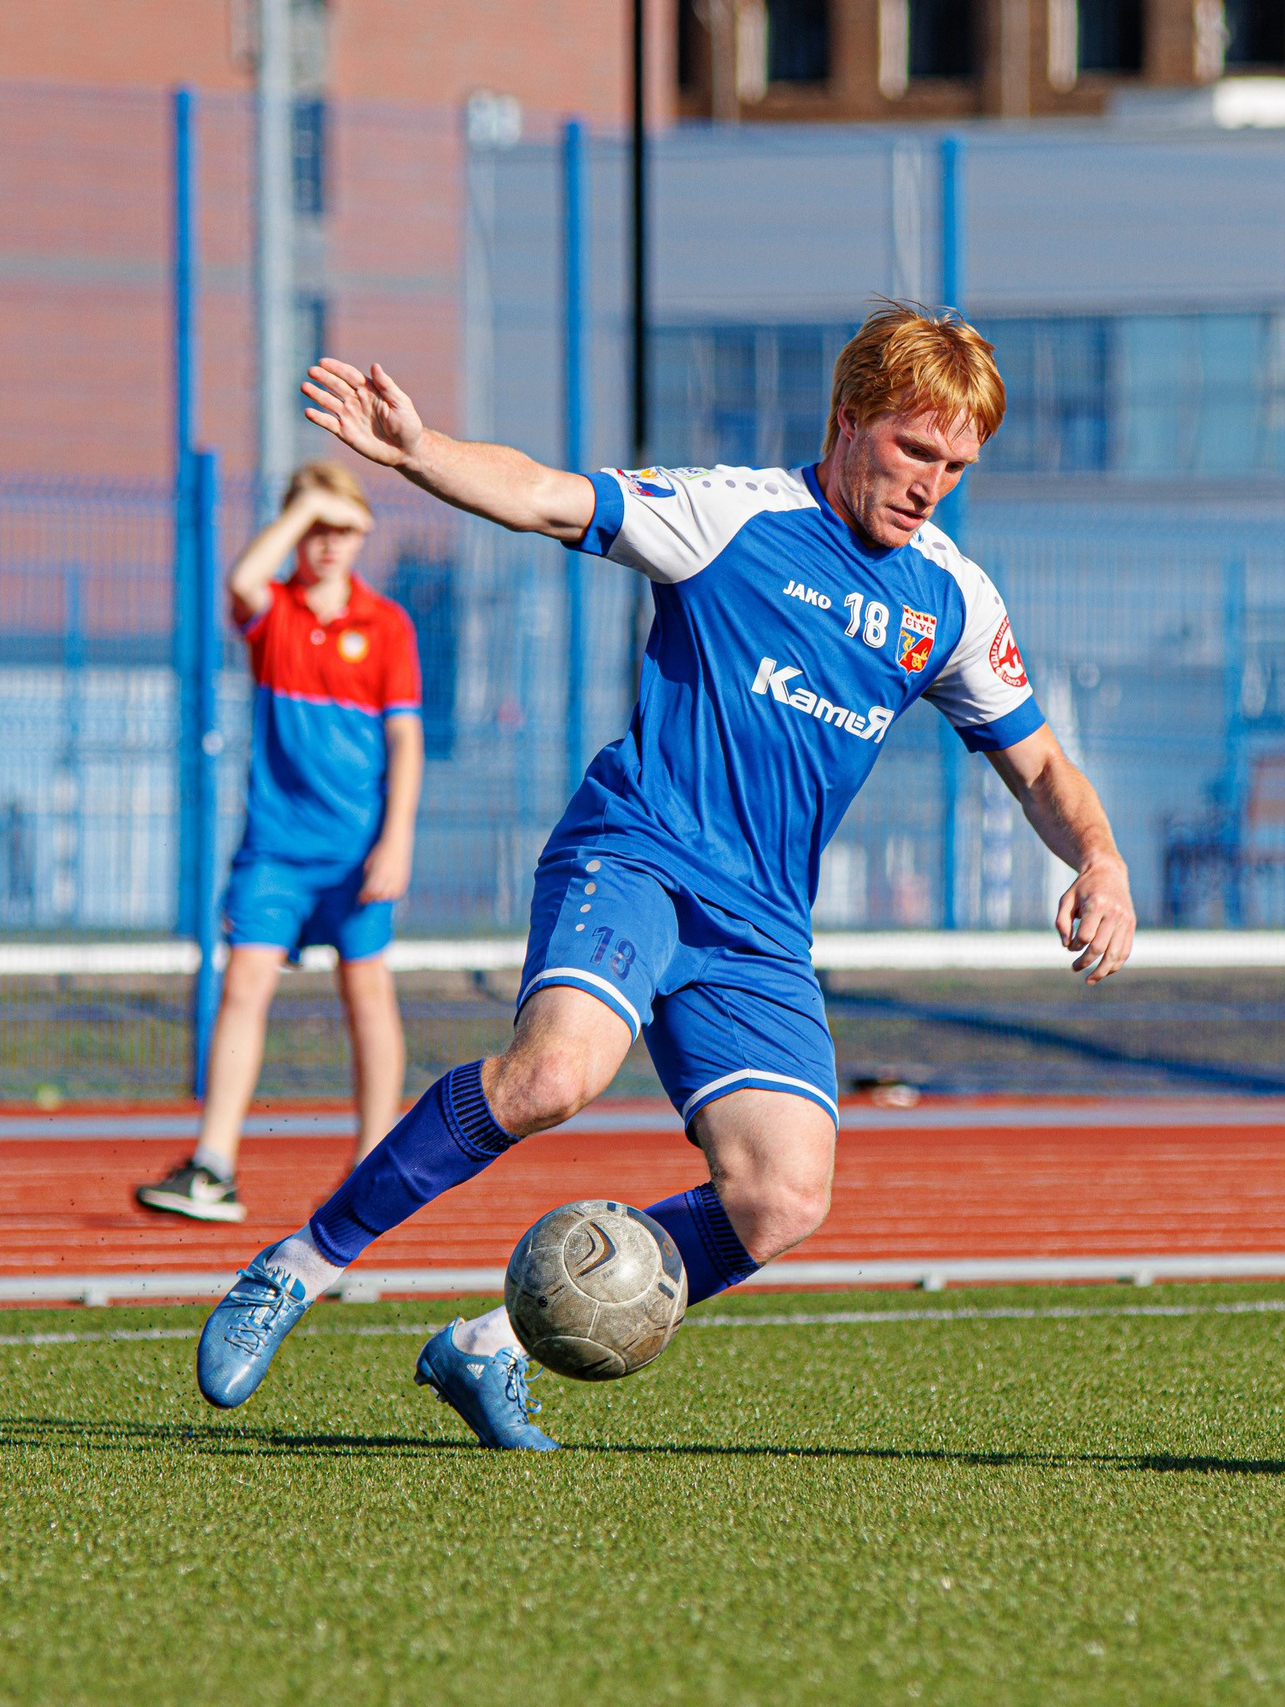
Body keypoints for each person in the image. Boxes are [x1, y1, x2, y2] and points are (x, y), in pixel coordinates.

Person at [189, 302, 1139, 1449]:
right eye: (913, 449)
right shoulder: (730, 515)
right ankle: (296, 1266)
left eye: (956, 464)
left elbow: (1038, 765)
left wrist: (1100, 856)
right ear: (846, 420)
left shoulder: (952, 597)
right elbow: (545, 494)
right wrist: (422, 454)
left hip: (759, 929)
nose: (932, 481)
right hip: (635, 851)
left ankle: (488, 1344)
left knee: (784, 1197)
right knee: (551, 1077)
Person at [134, 462, 425, 1224]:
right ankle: (214, 1165)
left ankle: (373, 1164)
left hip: (356, 852)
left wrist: (395, 840)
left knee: (367, 993)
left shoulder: (387, 624)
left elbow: (405, 741)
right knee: (244, 987)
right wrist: (303, 510)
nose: (327, 543)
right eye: (314, 526)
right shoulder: (277, 615)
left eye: (342, 526)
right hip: (275, 849)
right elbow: (243, 577)